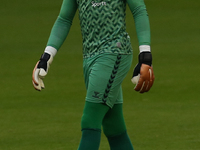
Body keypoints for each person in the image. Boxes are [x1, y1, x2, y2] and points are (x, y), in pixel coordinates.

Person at [32, 0, 155, 149]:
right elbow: (64, 19)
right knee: (113, 125)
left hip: (114, 53)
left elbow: (139, 10)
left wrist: (145, 56)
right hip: (90, 58)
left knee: (90, 120)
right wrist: (46, 57)